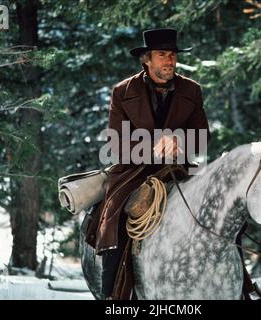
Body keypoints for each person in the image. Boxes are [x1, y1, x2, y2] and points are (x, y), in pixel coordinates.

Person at [93, 28, 210, 299]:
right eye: (162, 55)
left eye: (172, 55)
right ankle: (112, 295)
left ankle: (236, 283)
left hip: (178, 168)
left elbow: (202, 137)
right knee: (116, 217)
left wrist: (180, 143)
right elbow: (117, 142)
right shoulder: (123, 91)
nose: (169, 60)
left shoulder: (191, 90)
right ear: (147, 59)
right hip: (132, 170)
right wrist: (154, 146)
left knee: (217, 207)